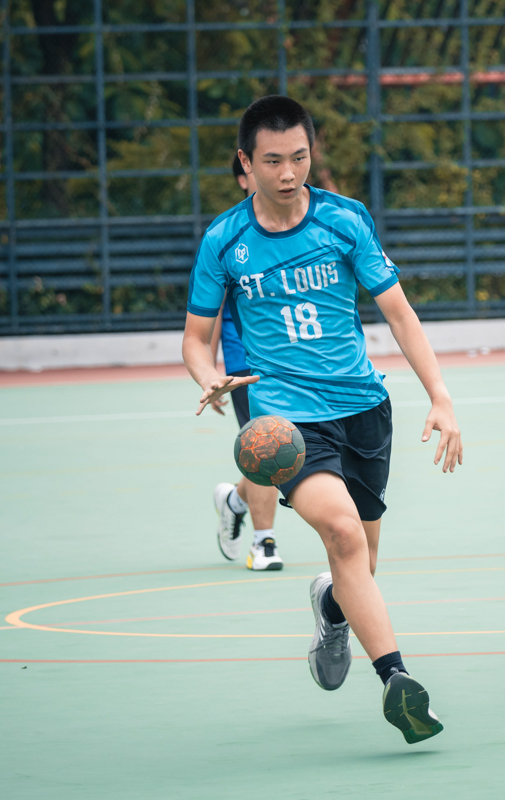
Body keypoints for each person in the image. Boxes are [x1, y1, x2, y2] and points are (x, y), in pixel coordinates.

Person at [182, 95, 462, 743]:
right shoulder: (225, 241)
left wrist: (440, 396)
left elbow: (399, 313)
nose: (288, 173)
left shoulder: (344, 220)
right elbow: (196, 339)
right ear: (245, 164)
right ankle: (397, 681)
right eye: (272, 161)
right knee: (342, 533)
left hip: (363, 410)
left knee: (360, 562)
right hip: (286, 422)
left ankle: (332, 609)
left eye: (299, 157)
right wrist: (208, 377)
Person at [211, 153, 283, 571]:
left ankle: (235, 501)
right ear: (244, 177)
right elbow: (208, 313)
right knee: (266, 444)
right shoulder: (229, 238)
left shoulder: (294, 228)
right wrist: (209, 373)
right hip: (245, 361)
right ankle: (264, 542)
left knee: (289, 445)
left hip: (291, 358)